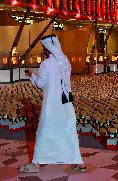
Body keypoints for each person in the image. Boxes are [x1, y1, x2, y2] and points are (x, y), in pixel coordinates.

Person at [19, 34, 86, 173]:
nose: (43, 50)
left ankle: (36, 163)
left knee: (44, 132)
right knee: (68, 131)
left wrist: (32, 75)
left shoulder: (46, 64)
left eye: (44, 47)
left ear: (48, 48)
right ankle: (78, 162)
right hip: (66, 104)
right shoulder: (65, 61)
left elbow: (41, 84)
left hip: (51, 105)